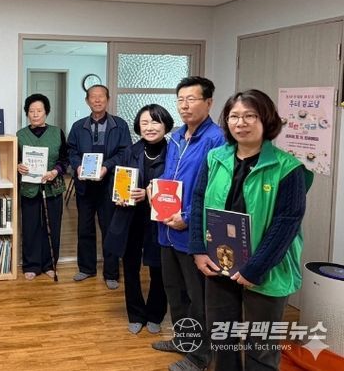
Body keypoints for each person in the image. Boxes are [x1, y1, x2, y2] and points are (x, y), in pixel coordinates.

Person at [190, 89, 312, 371]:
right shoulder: (215, 158)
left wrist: (254, 269)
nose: (240, 123)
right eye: (234, 116)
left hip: (266, 269)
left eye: (250, 116)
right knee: (223, 338)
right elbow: (198, 202)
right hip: (220, 262)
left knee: (261, 346)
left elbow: (286, 223)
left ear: (266, 119)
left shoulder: (287, 167)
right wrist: (198, 248)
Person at [151, 76, 224, 371]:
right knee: (174, 289)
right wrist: (156, 193)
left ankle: (200, 355)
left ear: (209, 102)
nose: (184, 105)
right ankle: (184, 340)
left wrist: (189, 217)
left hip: (193, 233)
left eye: (191, 99)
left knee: (198, 297)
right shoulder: (177, 137)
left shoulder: (216, 140)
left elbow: (216, 191)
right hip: (167, 228)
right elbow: (170, 178)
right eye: (180, 99)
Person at [105, 104, 172, 334]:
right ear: (138, 126)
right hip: (130, 218)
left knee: (158, 268)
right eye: (144, 123)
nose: (149, 127)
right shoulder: (130, 151)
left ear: (165, 125)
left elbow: (174, 187)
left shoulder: (173, 153)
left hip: (159, 220)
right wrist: (120, 196)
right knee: (130, 267)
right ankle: (135, 313)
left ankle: (155, 313)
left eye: (155, 122)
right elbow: (119, 182)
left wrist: (148, 194)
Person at [67, 84, 131, 289]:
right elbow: (71, 151)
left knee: (110, 228)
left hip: (109, 184)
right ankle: (86, 268)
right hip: (85, 185)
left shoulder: (120, 125)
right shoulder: (78, 126)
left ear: (108, 99)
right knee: (84, 227)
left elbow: (125, 152)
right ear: (87, 101)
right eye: (93, 97)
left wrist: (106, 167)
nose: (97, 100)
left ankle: (111, 273)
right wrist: (77, 166)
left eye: (101, 96)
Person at [16, 93, 68, 280]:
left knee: (52, 226)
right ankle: (31, 264)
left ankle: (49, 264)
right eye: (31, 111)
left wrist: (55, 171)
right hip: (29, 188)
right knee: (30, 227)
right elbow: (14, 159)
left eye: (39, 110)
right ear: (27, 113)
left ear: (46, 112)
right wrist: (18, 166)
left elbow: (65, 159)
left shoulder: (57, 132)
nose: (35, 114)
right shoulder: (20, 135)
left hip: (52, 186)